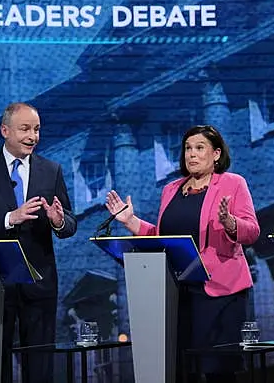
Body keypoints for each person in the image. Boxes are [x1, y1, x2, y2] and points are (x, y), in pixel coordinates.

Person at [105, 125, 260, 383]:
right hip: (178, 291)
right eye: (188, 148)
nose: (192, 154)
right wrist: (131, 222)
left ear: (217, 154)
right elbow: (163, 237)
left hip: (220, 292)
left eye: (200, 148)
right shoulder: (171, 189)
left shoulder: (233, 184)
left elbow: (252, 231)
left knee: (218, 371)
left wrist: (230, 222)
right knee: (181, 368)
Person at [0, 102, 77, 383]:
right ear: (5, 130)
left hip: (39, 283)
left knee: (39, 366)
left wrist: (58, 220)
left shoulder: (51, 170)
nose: (32, 136)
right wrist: (10, 218)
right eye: (25, 129)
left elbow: (70, 224)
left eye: (37, 130)